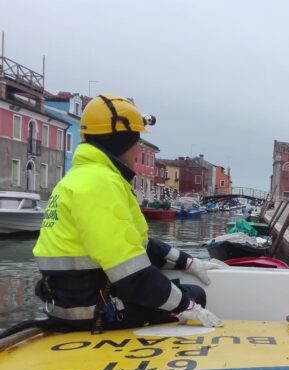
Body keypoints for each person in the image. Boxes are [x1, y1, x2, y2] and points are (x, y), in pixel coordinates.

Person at [33, 93, 223, 332]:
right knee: (195, 295)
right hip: (94, 313)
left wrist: (189, 262)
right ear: (122, 141)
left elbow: (136, 244)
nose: (137, 149)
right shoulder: (100, 184)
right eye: (137, 141)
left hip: (72, 303)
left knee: (180, 292)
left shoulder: (80, 178)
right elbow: (131, 276)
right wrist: (187, 305)